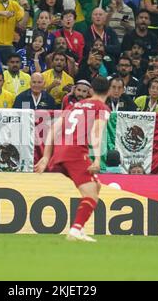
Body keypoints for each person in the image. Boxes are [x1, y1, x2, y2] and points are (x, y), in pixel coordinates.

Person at [34, 76, 111, 242]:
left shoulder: (74, 105)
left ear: (91, 90)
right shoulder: (101, 108)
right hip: (76, 153)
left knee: (95, 186)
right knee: (91, 194)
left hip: (61, 152)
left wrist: (46, 156)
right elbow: (96, 132)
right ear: (109, 91)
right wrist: (97, 159)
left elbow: (54, 128)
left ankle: (79, 228)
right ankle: (76, 230)